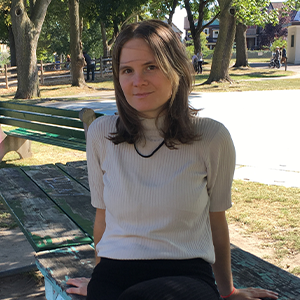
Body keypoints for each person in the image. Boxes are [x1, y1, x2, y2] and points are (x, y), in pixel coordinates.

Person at [66, 20, 279, 300]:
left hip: (186, 274)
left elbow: (217, 222)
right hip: (115, 273)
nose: (137, 80)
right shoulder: (101, 134)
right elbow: (102, 219)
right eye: (127, 70)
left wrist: (227, 292)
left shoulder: (211, 137)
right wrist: (97, 284)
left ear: (176, 69)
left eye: (151, 67)